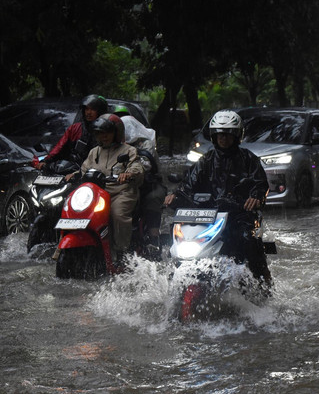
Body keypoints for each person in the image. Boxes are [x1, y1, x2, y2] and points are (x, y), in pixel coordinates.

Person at [163, 110, 272, 285]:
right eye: (220, 134)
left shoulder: (248, 159)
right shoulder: (206, 160)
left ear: (237, 135)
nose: (224, 138)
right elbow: (189, 183)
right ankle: (172, 278)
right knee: (176, 235)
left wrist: (255, 197)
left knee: (248, 240)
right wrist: (176, 195)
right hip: (207, 215)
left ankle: (262, 284)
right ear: (214, 136)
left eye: (228, 134)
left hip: (239, 215)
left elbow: (260, 184)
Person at [80, 114, 144, 262]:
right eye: (100, 133)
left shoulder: (129, 151)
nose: (104, 136)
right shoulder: (94, 152)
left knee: (118, 215)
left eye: (107, 133)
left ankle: (122, 253)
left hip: (121, 192)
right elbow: (84, 169)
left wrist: (128, 174)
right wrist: (74, 175)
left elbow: (137, 168)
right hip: (97, 194)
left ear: (117, 133)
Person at [113, 105, 166, 250]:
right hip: (121, 184)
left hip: (149, 183)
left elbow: (145, 165)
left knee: (152, 200)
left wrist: (130, 172)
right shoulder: (113, 145)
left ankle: (154, 238)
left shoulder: (145, 143)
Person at [35, 95, 109, 179]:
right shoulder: (75, 128)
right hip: (72, 170)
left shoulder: (107, 132)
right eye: (87, 109)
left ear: (100, 111)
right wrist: (46, 161)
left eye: (92, 109)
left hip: (96, 172)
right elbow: (60, 147)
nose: (88, 112)